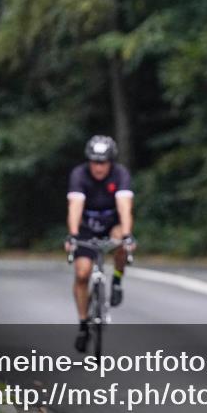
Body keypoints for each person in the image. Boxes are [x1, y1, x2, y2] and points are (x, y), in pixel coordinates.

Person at [64, 135, 136, 352]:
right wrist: (73, 235)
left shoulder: (120, 174)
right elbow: (75, 206)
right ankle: (84, 323)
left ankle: (116, 281)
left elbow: (124, 206)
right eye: (94, 162)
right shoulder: (79, 175)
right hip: (86, 225)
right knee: (83, 273)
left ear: (110, 161)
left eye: (103, 162)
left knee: (122, 243)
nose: (98, 167)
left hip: (111, 223)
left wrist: (127, 234)